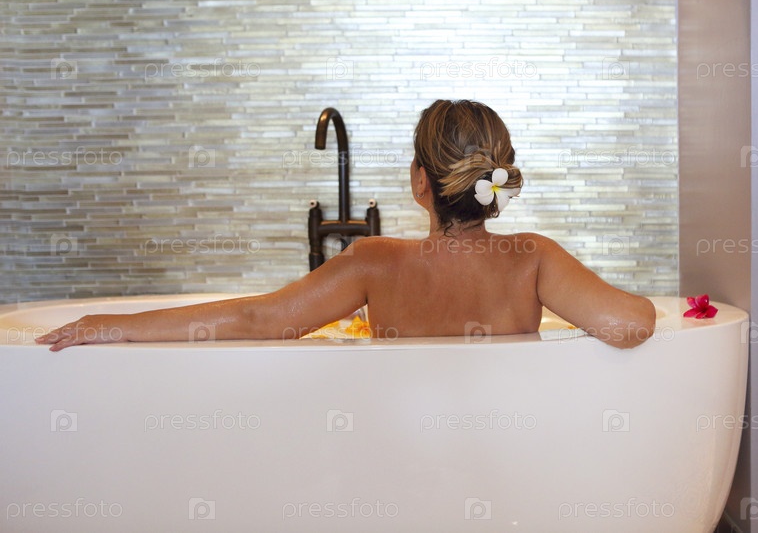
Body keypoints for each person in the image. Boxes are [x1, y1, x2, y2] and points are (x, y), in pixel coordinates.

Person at [36, 99, 655, 352]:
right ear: (494, 187)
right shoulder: (532, 258)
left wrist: (111, 324)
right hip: (505, 468)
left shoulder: (375, 263)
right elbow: (631, 324)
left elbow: (258, 319)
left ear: (420, 181)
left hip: (398, 472)